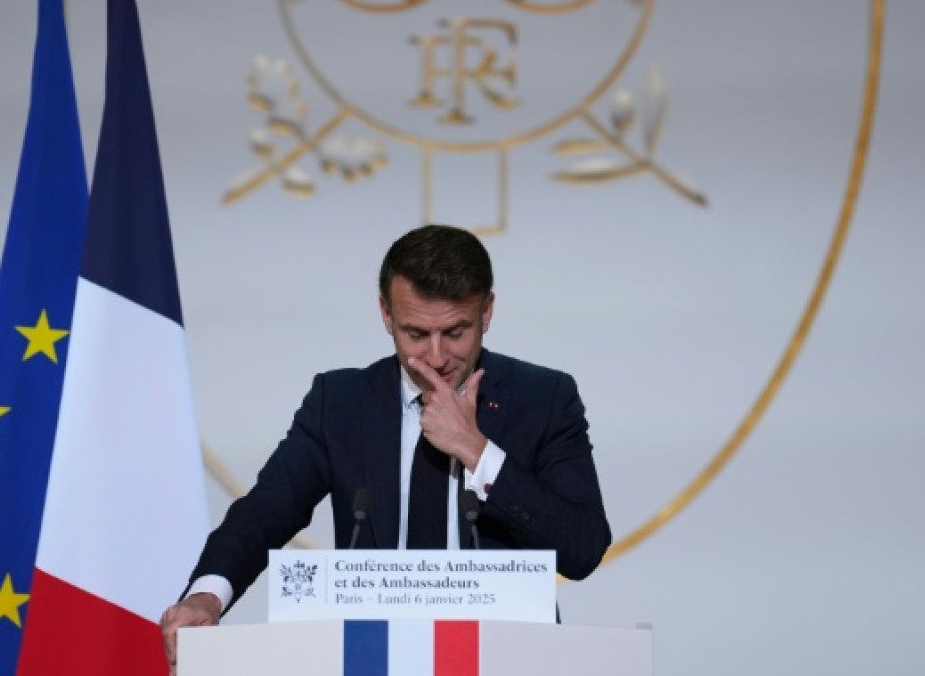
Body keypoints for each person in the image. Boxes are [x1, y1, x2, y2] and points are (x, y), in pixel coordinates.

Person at [160, 225, 610, 663]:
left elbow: (583, 548)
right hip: (369, 659)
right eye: (416, 334)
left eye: (455, 332)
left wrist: (477, 450)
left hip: (505, 660)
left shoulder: (544, 398)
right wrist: (206, 596)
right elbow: (265, 511)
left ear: (487, 312)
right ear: (386, 315)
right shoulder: (338, 403)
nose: (436, 357)